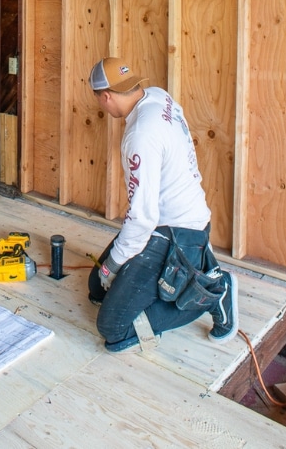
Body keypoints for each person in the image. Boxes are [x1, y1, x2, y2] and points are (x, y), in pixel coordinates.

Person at [86, 57, 238, 353]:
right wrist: (109, 272)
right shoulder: (156, 96)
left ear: (106, 97)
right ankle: (192, 268)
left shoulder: (140, 135)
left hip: (176, 234)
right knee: (96, 286)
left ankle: (216, 292)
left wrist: (115, 266)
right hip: (176, 220)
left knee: (113, 327)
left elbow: (142, 218)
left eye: (101, 102)